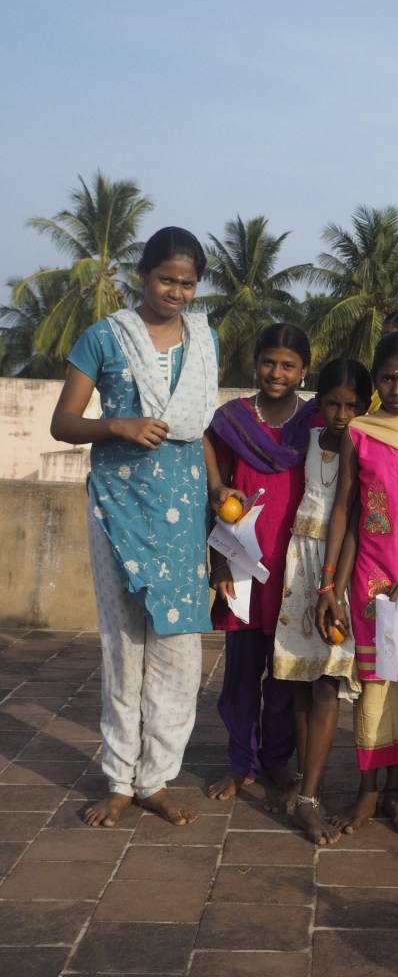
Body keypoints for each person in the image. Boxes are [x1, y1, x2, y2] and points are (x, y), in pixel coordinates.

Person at [50, 226, 219, 827]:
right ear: (142, 276)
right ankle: (120, 781)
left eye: (188, 284)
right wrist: (117, 426)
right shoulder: (104, 336)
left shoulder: (203, 339)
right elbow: (63, 423)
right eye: (166, 279)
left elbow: (197, 428)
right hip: (118, 507)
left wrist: (217, 487)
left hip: (184, 512)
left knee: (179, 650)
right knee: (124, 646)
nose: (176, 292)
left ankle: (157, 780)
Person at [316, 330, 398, 834]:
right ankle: (366, 792)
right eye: (388, 378)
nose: (397, 388)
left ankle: (395, 791)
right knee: (374, 687)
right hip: (370, 581)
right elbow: (345, 512)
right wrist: (330, 584)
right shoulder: (360, 431)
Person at [205, 323, 316, 801]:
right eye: (269, 362)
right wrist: (219, 565)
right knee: (242, 671)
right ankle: (240, 763)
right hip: (244, 564)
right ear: (256, 363)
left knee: (286, 673)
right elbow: (213, 486)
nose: (276, 373)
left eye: (288, 365)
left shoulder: (315, 420)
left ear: (304, 370)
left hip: (296, 567)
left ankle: (275, 761)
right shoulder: (231, 420)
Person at [272, 358, 373, 844]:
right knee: (300, 677)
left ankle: (311, 796)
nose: (342, 414)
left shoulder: (366, 446)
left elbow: (351, 519)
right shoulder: (305, 439)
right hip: (300, 561)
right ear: (319, 401)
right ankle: (302, 780)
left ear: (366, 406)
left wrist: (333, 587)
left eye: (352, 406)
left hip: (339, 571)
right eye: (333, 404)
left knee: (330, 680)